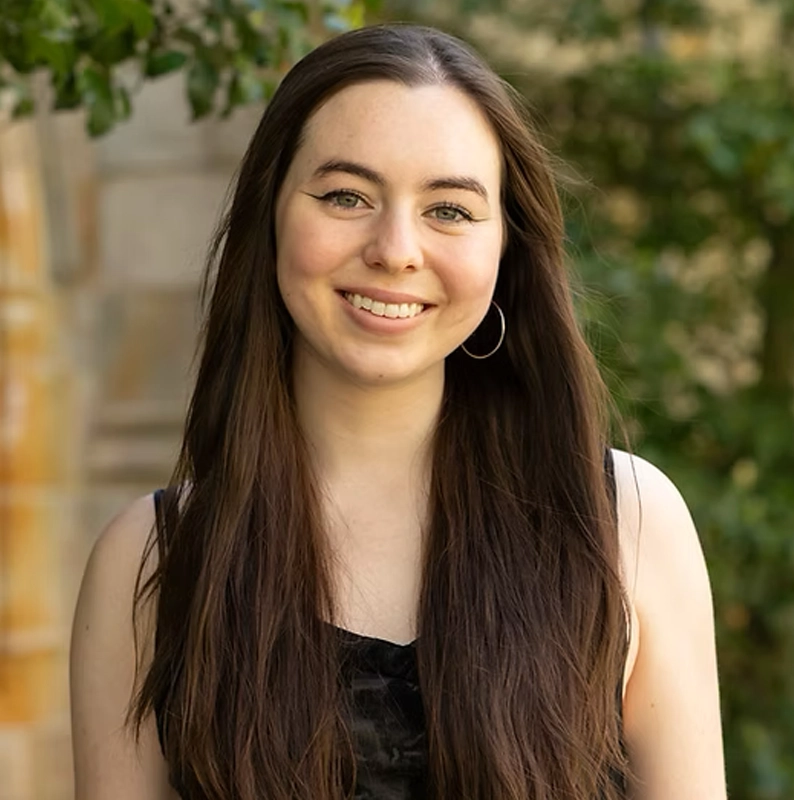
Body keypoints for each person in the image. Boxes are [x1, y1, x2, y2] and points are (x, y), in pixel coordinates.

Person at [70, 23, 727, 800]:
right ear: (271, 215)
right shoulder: (154, 564)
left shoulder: (626, 526)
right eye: (346, 195)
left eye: (449, 209)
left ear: (505, 250)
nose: (395, 248)